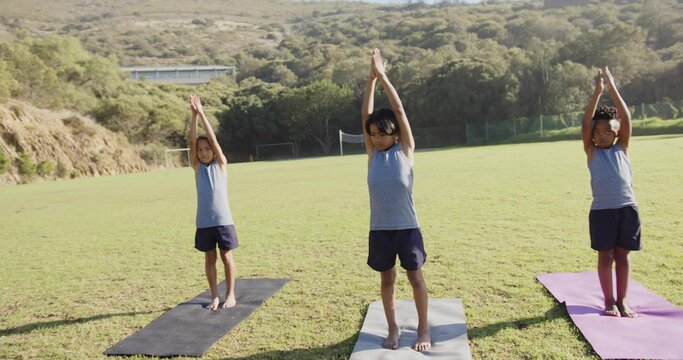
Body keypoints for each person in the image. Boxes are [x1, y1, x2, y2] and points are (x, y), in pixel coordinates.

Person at [361, 48, 431, 351]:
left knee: (415, 278)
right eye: (373, 134)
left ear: (395, 133)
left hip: (407, 228)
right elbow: (365, 115)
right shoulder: (373, 155)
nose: (377, 138)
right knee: (386, 281)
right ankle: (392, 329)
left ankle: (423, 330)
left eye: (382, 133)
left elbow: (399, 112)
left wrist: (385, 77)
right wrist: (371, 79)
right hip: (380, 230)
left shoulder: (405, 151)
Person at [582, 67, 640, 318]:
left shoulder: (622, 147)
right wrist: (597, 92)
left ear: (616, 133)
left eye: (607, 131)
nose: (601, 135)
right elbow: (586, 122)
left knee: (623, 256)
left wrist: (613, 87)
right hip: (602, 212)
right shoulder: (592, 152)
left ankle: (623, 300)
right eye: (597, 133)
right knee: (605, 256)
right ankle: (609, 301)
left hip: (627, 209)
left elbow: (625, 117)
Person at [189, 94, 238, 311]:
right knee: (209, 259)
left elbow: (213, 140)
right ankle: (215, 296)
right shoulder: (197, 169)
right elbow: (191, 142)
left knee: (226, 256)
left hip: (223, 220)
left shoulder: (221, 165)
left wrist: (202, 114)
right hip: (204, 222)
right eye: (200, 150)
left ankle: (230, 294)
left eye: (207, 149)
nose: (203, 152)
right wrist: (193, 117)